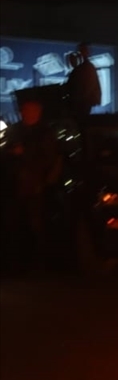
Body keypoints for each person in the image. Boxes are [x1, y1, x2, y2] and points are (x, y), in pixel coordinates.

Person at [1, 98, 62, 272]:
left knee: (35, 225)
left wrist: (25, 153)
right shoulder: (15, 130)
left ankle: (38, 263)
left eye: (29, 110)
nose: (25, 113)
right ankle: (15, 262)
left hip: (35, 187)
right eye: (24, 110)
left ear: (37, 112)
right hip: (14, 186)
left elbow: (48, 158)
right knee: (13, 225)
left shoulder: (45, 133)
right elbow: (5, 151)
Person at [65, 43, 101, 124]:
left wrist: (76, 99)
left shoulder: (87, 68)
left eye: (82, 51)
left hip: (82, 103)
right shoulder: (79, 69)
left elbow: (86, 88)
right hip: (80, 103)